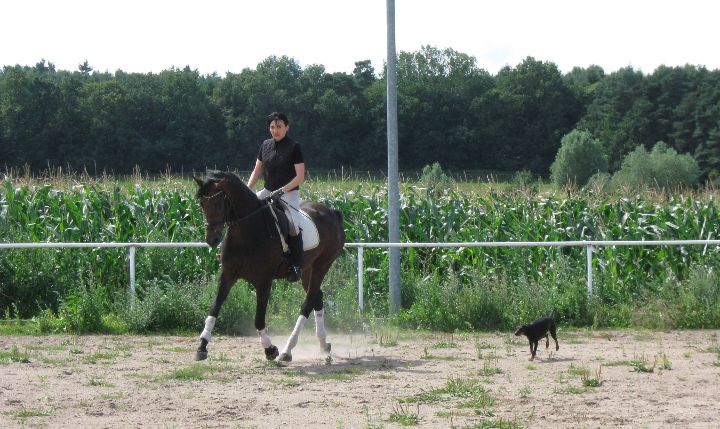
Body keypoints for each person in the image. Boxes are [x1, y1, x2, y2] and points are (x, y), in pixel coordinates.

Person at [247, 112, 305, 282]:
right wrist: (248, 189)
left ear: (287, 127)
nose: (275, 130)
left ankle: (297, 265)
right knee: (244, 212)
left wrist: (282, 190)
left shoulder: (295, 147)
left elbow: (300, 176)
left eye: (279, 127)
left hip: (289, 193)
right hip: (267, 191)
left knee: (293, 225)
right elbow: (257, 170)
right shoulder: (265, 145)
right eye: (272, 127)